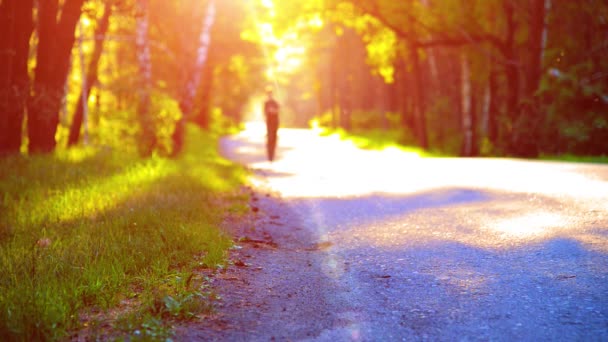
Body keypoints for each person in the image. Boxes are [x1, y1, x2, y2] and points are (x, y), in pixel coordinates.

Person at [263, 87, 280, 161]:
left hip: (275, 122)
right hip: (269, 122)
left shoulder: (275, 102)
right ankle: (269, 155)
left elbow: (278, 110)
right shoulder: (266, 103)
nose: (269, 95)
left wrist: (273, 111)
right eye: (268, 94)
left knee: (274, 137)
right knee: (269, 137)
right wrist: (269, 111)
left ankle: (272, 153)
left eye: (270, 94)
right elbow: (264, 112)